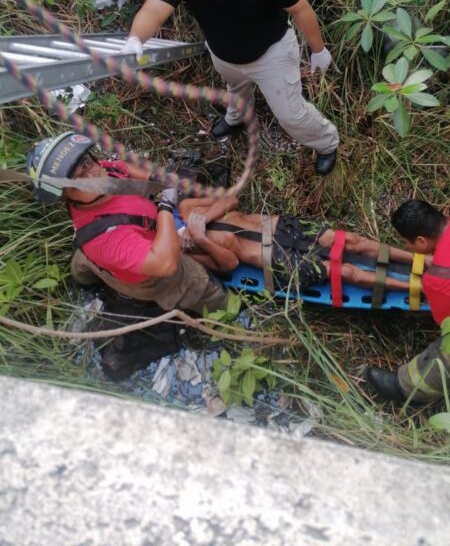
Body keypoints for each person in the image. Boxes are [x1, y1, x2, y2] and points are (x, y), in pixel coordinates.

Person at [121, 0, 339, 175]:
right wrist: (136, 38)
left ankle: (327, 142)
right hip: (223, 52)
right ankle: (237, 118)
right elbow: (154, 9)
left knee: (291, 115)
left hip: (271, 52)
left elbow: (300, 8)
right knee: (235, 90)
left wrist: (318, 50)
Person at [25, 132, 229, 314]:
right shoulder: (106, 239)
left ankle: (83, 278)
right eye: (78, 181)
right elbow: (166, 264)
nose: (92, 176)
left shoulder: (102, 172)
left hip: (122, 246)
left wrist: (158, 179)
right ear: (65, 196)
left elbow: (123, 170)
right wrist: (166, 204)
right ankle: (227, 315)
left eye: (86, 164)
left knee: (85, 262)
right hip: (153, 275)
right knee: (198, 286)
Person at [174, 197, 414, 294]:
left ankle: (419, 260)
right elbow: (229, 264)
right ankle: (417, 287)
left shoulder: (187, 208)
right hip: (273, 258)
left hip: (276, 226)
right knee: (345, 272)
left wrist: (203, 219)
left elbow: (232, 200)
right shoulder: (184, 252)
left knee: (350, 241)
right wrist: (200, 238)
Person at [366, 200, 450, 405]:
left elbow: (446, 323)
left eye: (406, 243)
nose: (406, 247)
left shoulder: (438, 279)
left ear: (421, 241)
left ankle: (407, 388)